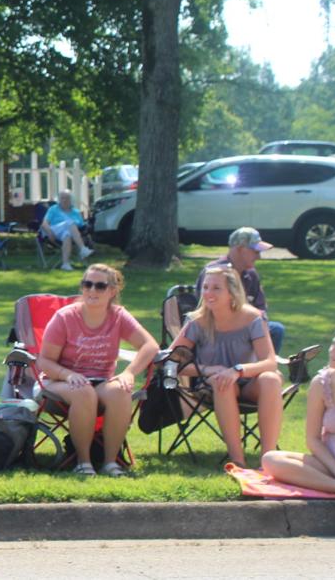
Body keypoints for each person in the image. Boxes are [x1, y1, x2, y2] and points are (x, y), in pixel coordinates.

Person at [38, 263, 158, 476]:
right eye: (87, 284)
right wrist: (69, 374)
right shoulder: (65, 317)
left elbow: (150, 346)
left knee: (121, 390)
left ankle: (110, 462)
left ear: (112, 291)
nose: (92, 290)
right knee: (83, 391)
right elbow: (44, 362)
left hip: (99, 382)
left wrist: (129, 372)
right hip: (57, 383)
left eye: (100, 286)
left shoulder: (118, 316)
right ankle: (83, 462)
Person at [171, 265, 283, 467]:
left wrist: (238, 370)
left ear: (232, 292)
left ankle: (268, 459)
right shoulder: (197, 321)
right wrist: (208, 369)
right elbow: (171, 362)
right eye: (205, 287)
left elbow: (270, 361)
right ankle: (237, 462)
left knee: (271, 379)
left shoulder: (252, 318)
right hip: (213, 386)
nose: (208, 293)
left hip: (248, 383)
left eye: (216, 288)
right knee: (223, 382)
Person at [263, 327, 335, 499]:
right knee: (270, 460)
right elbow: (312, 439)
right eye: (333, 344)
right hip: (328, 465)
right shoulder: (321, 384)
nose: (332, 351)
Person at [195, 227, 286, 355]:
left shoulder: (251, 275)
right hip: (217, 327)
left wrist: (258, 322)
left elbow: (261, 308)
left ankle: (263, 366)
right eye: (255, 251)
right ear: (240, 249)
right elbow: (206, 308)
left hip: (248, 326)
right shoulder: (214, 273)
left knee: (276, 329)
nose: (258, 257)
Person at [41, 190, 93, 271]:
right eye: (62, 198)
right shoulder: (53, 209)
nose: (64, 200)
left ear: (71, 200)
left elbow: (82, 226)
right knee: (69, 222)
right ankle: (83, 248)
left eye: (67, 198)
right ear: (59, 200)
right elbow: (44, 224)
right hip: (54, 230)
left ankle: (65, 264)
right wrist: (49, 233)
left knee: (67, 235)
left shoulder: (76, 212)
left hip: (70, 233)